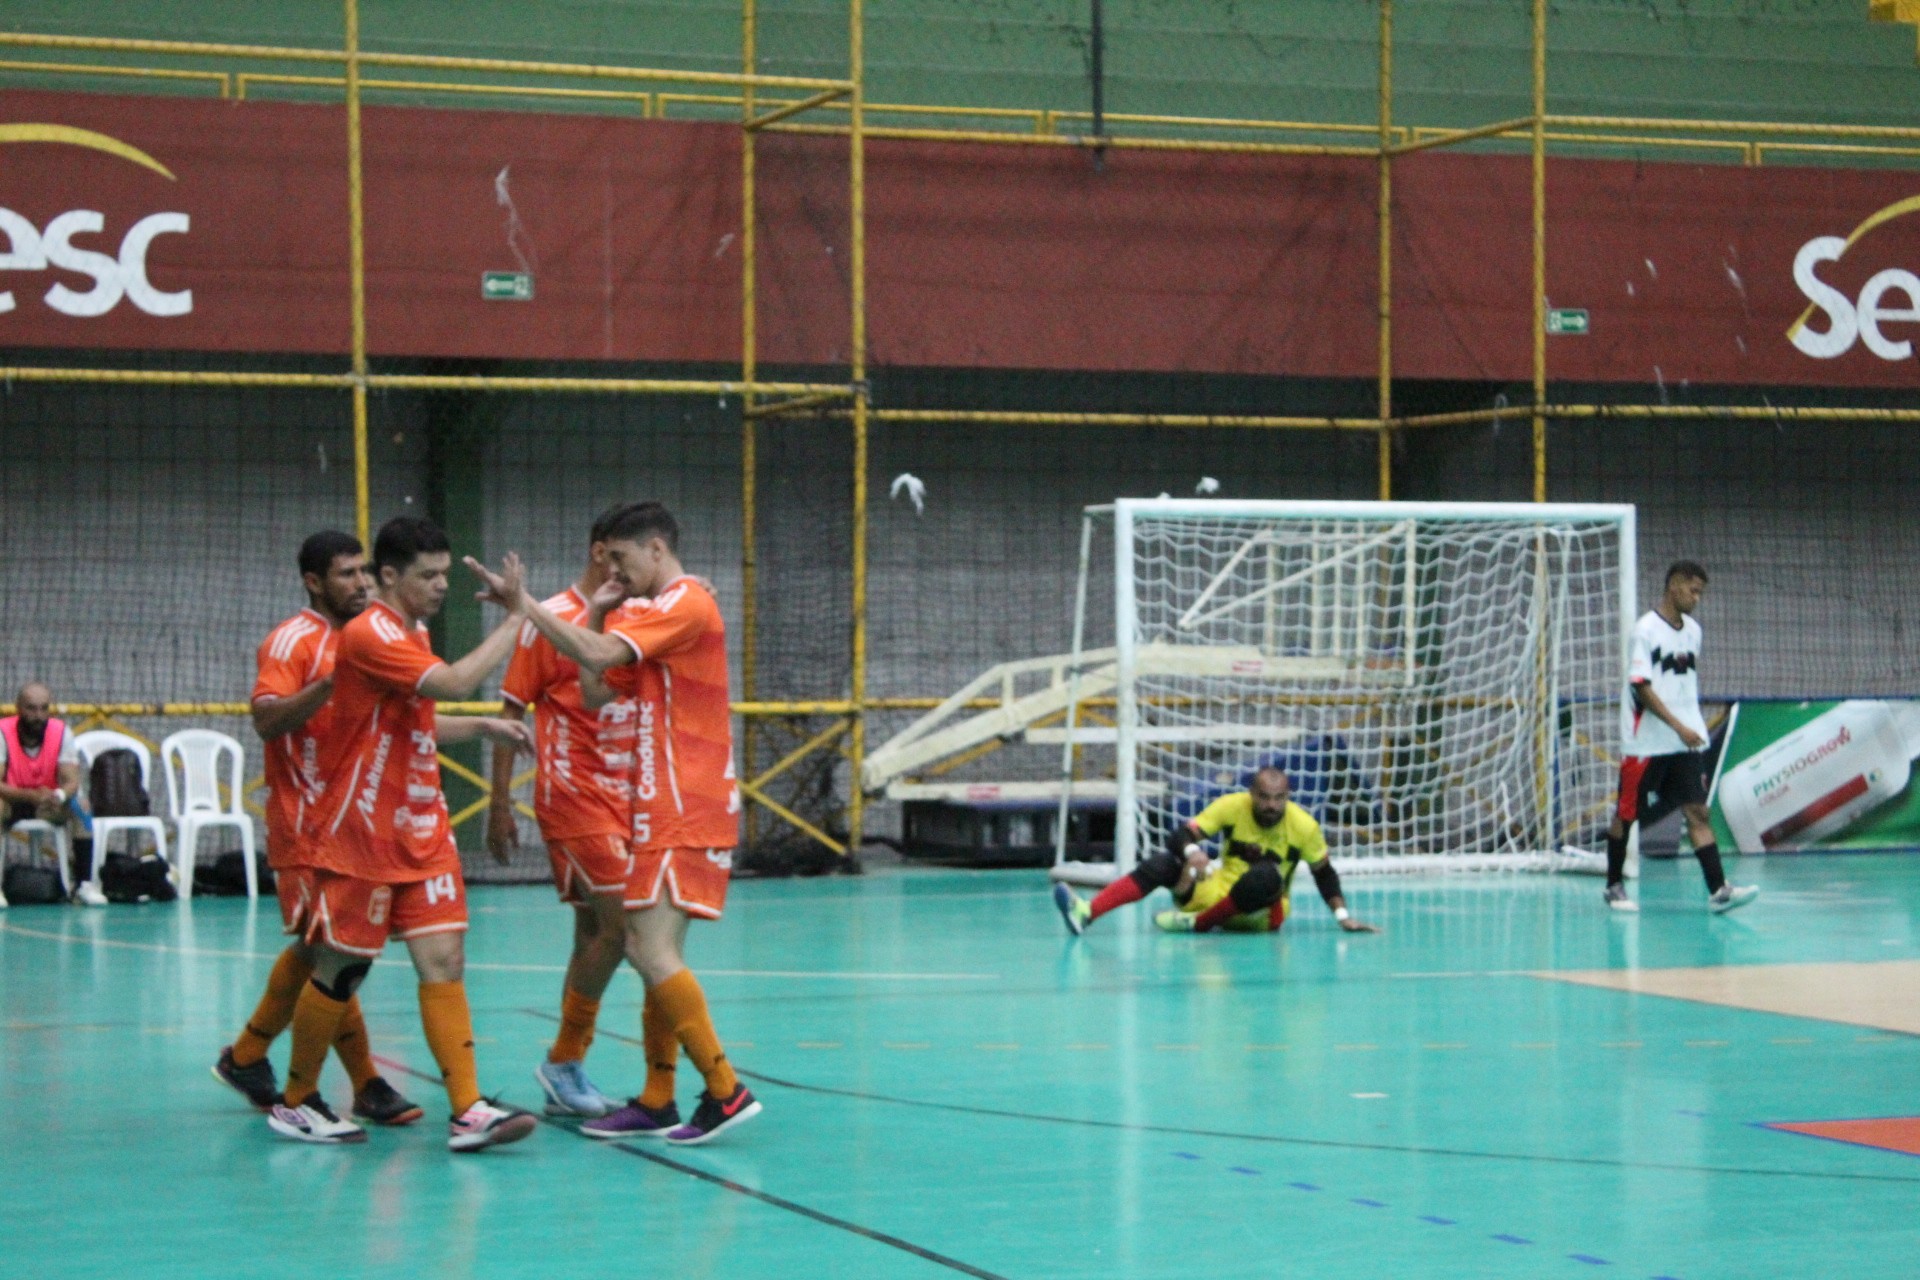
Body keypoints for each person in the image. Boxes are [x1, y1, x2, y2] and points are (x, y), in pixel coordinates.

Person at [469, 501, 761, 1146]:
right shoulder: (651, 609)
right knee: (646, 947)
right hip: (648, 800)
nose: (616, 571)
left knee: (641, 946)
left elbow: (598, 651)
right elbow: (597, 689)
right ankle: (658, 1099)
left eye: (624, 559)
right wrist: (598, 612)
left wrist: (524, 605)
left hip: (684, 798)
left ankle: (724, 1089)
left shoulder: (686, 602)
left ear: (657, 549)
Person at [265, 516, 537, 1150]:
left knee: (444, 959)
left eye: (445, 574)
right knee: (343, 967)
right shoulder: (369, 633)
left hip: (420, 826)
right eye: (428, 575)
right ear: (389, 576)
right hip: (363, 827)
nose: (441, 586)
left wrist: (482, 728)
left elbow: (416, 721)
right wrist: (518, 617)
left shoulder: (410, 632)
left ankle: (468, 1109)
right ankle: (297, 1101)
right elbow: (454, 682)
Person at [212, 531, 421, 1127]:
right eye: (347, 573)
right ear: (313, 582)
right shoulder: (293, 641)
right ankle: (361, 1083)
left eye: (364, 572)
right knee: (334, 951)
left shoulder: (374, 636)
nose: (361, 583)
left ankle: (247, 1056)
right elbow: (265, 720)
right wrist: (330, 682)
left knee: (319, 950)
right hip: (305, 824)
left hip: (352, 824)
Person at [486, 504, 642, 1119]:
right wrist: (500, 803)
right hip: (575, 797)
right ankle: (564, 1058)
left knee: (592, 934)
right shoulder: (550, 620)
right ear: (601, 552)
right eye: (625, 553)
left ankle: (568, 1069)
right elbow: (511, 711)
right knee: (626, 929)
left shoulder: (638, 618)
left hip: (630, 797)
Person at [1052, 766, 1378, 936]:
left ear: (1288, 797)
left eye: (1279, 798)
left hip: (1261, 914)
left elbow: (1324, 873)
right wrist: (1192, 851)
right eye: (1264, 797)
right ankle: (1087, 913)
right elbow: (1181, 834)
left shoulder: (1304, 826)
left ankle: (1198, 924)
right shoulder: (1231, 806)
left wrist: (1343, 916)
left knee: (1266, 876)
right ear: (1251, 793)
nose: (1271, 805)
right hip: (1217, 893)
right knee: (1164, 863)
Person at [1603, 561, 1758, 914]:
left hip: (1683, 742)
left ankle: (1718, 890)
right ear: (1673, 585)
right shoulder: (1645, 631)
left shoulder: (1693, 632)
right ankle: (1613, 885)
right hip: (1646, 742)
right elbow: (1641, 687)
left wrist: (1692, 727)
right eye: (1692, 590)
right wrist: (1678, 725)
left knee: (1698, 811)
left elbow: (1682, 685)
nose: (1696, 598)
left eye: (1700, 592)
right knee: (1627, 814)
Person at [0, 681, 99, 904]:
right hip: (11, 801)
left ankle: (83, 884)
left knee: (81, 806)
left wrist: (59, 795)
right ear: (18, 708)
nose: (38, 715)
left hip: (47, 804)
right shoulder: (2, 732)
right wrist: (29, 795)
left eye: (44, 708)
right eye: (31, 708)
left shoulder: (61, 732)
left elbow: (72, 781)